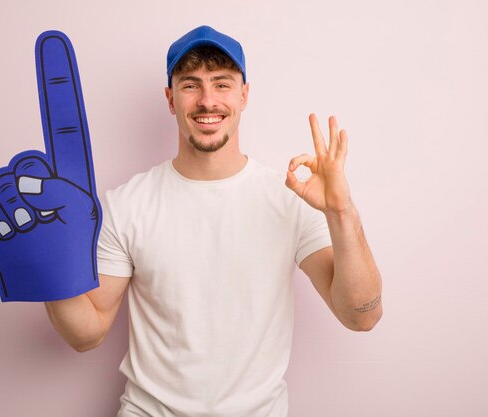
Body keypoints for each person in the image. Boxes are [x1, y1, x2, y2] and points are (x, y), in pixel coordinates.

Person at [44, 25, 382, 417]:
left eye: (222, 84)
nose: (207, 101)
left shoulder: (289, 199)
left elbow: (363, 316)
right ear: (170, 99)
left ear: (244, 95)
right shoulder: (127, 204)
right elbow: (87, 333)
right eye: (191, 85)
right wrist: (47, 263)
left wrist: (342, 212)